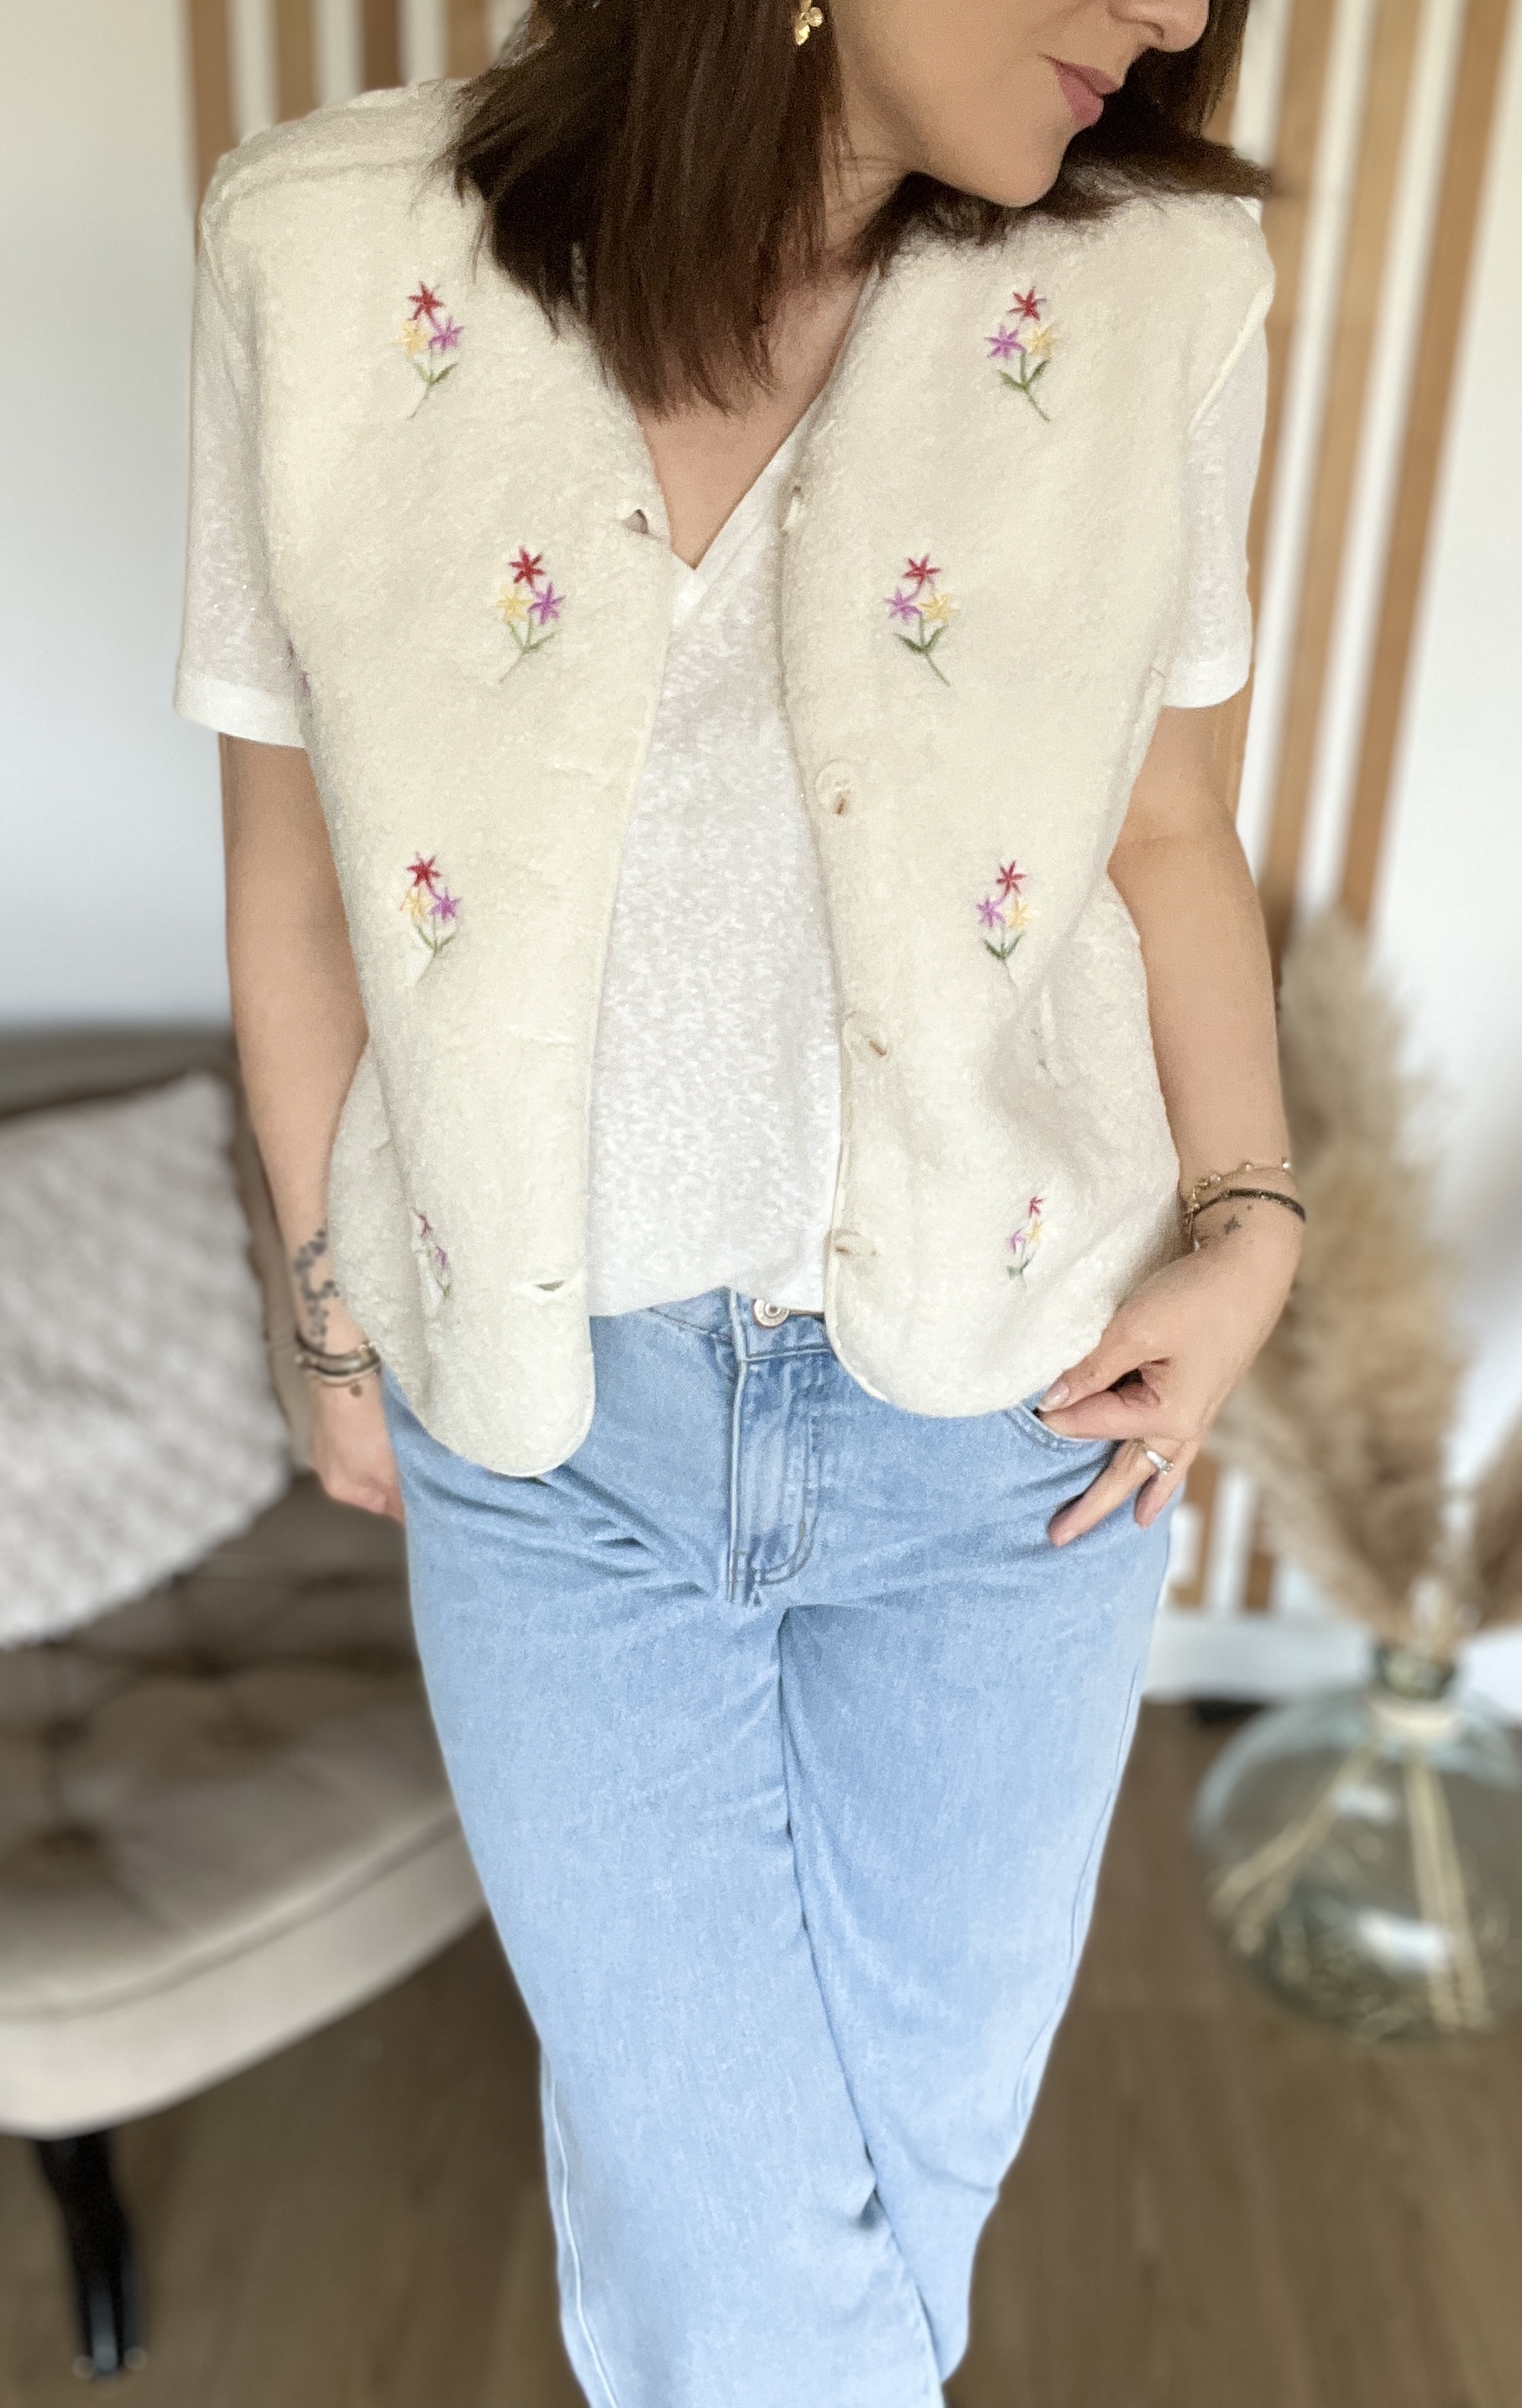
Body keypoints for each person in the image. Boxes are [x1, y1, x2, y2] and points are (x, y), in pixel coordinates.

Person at [177, 2, 1301, 2400]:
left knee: (889, 2184)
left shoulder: (1155, 291)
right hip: (551, 1439)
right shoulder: (322, 251)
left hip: (1021, 1424)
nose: (1178, 14)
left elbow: (1169, 829)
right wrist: (329, 1316)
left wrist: (1256, 1224)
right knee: (743, 2247)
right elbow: (295, 878)